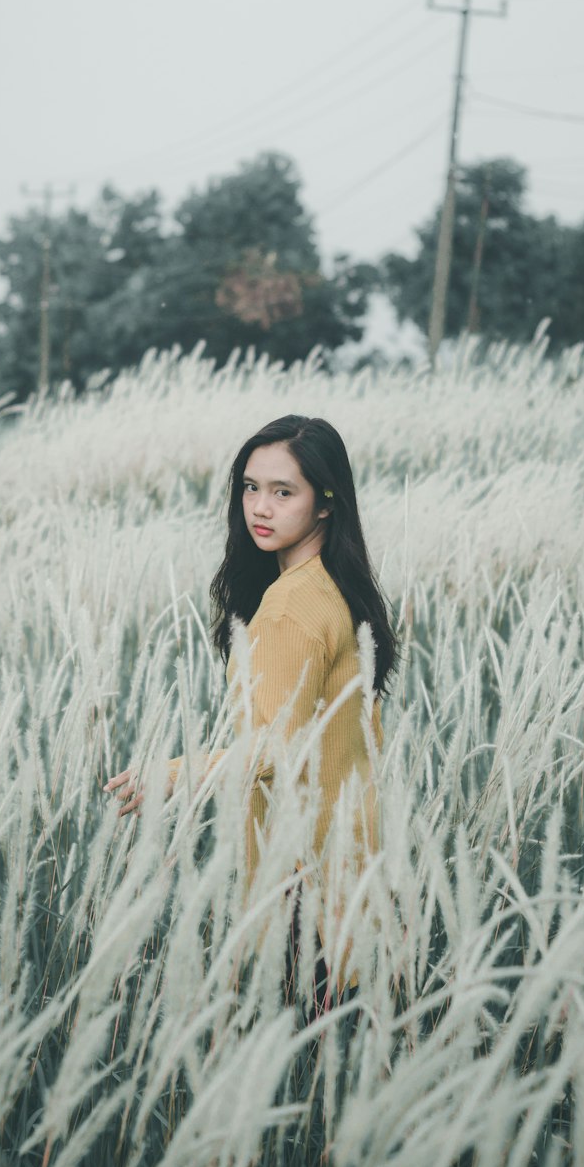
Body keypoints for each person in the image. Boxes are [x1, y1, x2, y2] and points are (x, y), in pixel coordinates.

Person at [106, 414, 396, 1015]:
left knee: (307, 1067)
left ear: (325, 503)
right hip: (354, 862)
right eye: (250, 487)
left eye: (283, 492)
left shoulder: (290, 606)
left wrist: (176, 774)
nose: (260, 507)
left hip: (304, 877)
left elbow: (280, 748)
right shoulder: (333, 587)